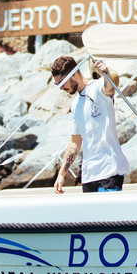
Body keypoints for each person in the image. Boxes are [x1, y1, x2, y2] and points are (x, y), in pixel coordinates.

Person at [52, 55, 129, 194]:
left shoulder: (98, 87)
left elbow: (111, 85)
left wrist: (106, 72)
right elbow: (75, 143)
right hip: (88, 176)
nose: (61, 88)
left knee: (109, 216)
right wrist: (61, 174)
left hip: (110, 170)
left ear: (74, 73)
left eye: (62, 83)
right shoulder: (75, 104)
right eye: (57, 84)